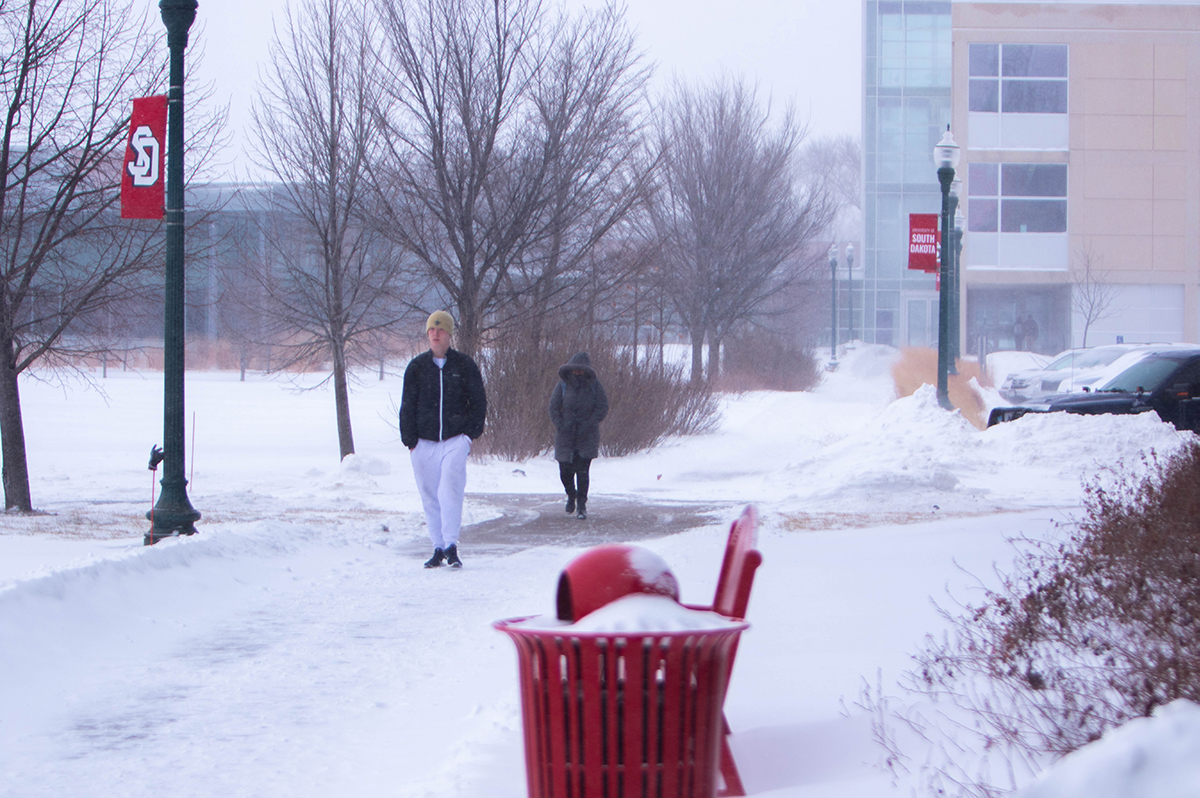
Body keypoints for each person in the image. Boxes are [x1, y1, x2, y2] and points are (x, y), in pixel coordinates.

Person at [400, 311, 487, 568]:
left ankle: (451, 544)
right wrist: (411, 441)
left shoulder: (464, 365)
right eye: (431, 330)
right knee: (429, 494)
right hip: (423, 442)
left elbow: (478, 400)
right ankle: (437, 547)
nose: (435, 334)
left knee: (450, 486)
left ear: (449, 334)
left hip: (454, 439)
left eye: (440, 330)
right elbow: (407, 405)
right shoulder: (416, 368)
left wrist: (470, 435)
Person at [549, 352, 608, 520]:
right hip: (565, 435)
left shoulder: (595, 386)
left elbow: (602, 407)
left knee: (583, 472)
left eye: (581, 371)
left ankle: (582, 505)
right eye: (575, 371)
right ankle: (571, 494)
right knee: (564, 472)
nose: (578, 374)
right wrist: (560, 424)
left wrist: (590, 423)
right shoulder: (562, 386)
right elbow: (553, 408)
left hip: (586, 436)